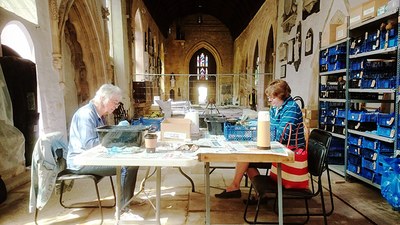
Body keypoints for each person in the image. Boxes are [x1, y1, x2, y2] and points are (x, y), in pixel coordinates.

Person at [215, 79, 304, 199]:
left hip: (289, 150)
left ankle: (236, 187)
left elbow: (281, 136)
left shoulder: (291, 108)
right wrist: (253, 125)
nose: (269, 100)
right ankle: (258, 193)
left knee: (246, 157)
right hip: (276, 144)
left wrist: (260, 132)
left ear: (281, 96)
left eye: (272, 97)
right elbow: (270, 128)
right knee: (245, 156)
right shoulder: (276, 107)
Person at [67, 84, 139, 208]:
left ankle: (127, 199)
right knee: (126, 166)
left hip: (94, 157)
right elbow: (90, 144)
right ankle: (123, 208)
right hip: (81, 161)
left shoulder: (99, 116)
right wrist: (114, 134)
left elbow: (104, 140)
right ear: (103, 98)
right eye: (115, 103)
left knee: (133, 161)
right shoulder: (86, 114)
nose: (116, 107)